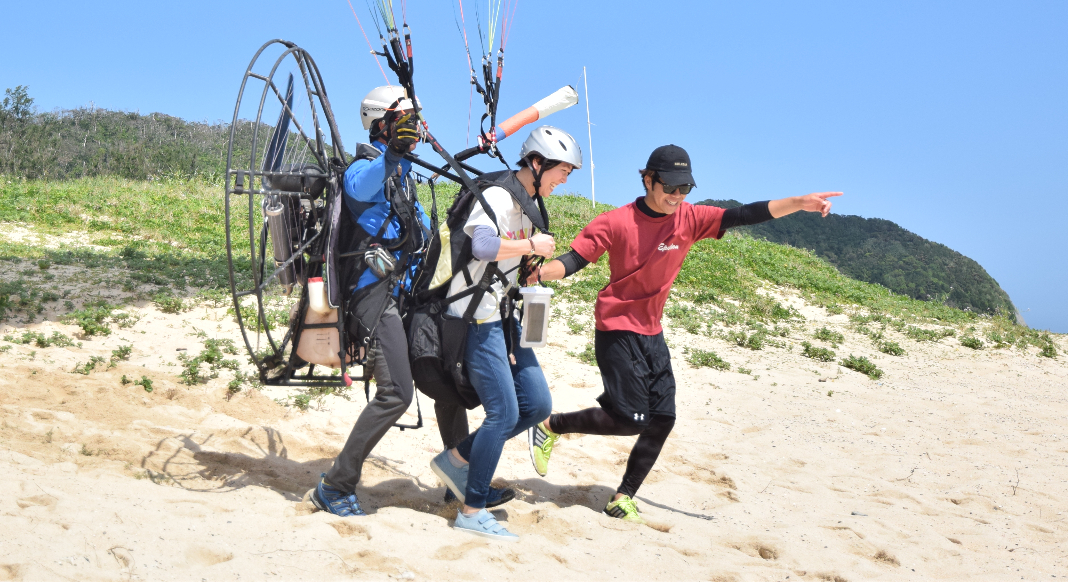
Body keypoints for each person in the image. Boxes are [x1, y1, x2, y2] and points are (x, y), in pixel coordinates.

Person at [524, 143, 841, 523]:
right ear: (648, 180)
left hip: (652, 331)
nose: (677, 196)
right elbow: (576, 259)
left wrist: (799, 202)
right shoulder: (615, 222)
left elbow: (744, 214)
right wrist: (539, 273)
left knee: (663, 417)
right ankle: (551, 426)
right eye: (670, 187)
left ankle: (623, 497)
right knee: (631, 419)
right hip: (617, 328)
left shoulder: (690, 219)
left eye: (684, 188)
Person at [308, 86, 512, 516]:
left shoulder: (403, 177)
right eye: (403, 122)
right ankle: (335, 485)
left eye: (413, 123)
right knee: (396, 394)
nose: (412, 130)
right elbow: (361, 184)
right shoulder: (366, 169)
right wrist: (394, 152)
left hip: (408, 296)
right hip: (373, 297)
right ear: (381, 124)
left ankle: (460, 480)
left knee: (444, 378)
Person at [429, 126, 581, 541]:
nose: (564, 180)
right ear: (538, 163)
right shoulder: (498, 196)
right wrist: (531, 246)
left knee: (537, 404)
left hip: (503, 315)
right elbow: (482, 247)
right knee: (505, 414)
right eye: (562, 171)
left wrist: (529, 265)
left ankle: (456, 461)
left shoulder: (529, 204)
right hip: (474, 319)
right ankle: (471, 510)